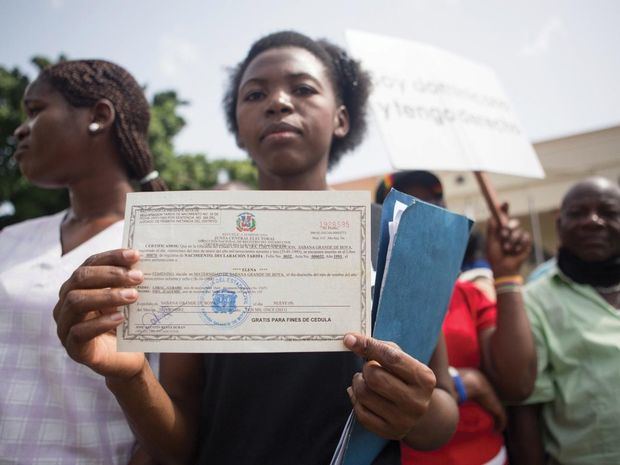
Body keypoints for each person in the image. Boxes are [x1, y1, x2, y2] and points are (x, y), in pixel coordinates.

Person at [53, 32, 458, 465]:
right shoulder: (198, 241)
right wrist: (131, 376)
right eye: (255, 94)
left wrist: (415, 410)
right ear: (238, 127)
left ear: (341, 118)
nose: (278, 102)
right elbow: (178, 445)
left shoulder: (399, 236)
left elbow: (443, 413)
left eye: (303, 88)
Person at [0, 60, 165, 464]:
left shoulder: (162, 245)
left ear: (99, 116)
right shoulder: (11, 239)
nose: (21, 129)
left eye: (36, 111)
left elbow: (178, 441)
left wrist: (130, 376)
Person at [376, 170, 537, 465]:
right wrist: (465, 382)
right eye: (409, 204)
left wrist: (506, 273)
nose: (425, 215)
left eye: (434, 203)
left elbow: (519, 383)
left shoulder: (467, 294)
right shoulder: (372, 299)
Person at [507, 177, 620, 465]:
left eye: (608, 213)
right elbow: (525, 408)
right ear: (559, 226)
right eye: (577, 213)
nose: (592, 222)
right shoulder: (534, 300)